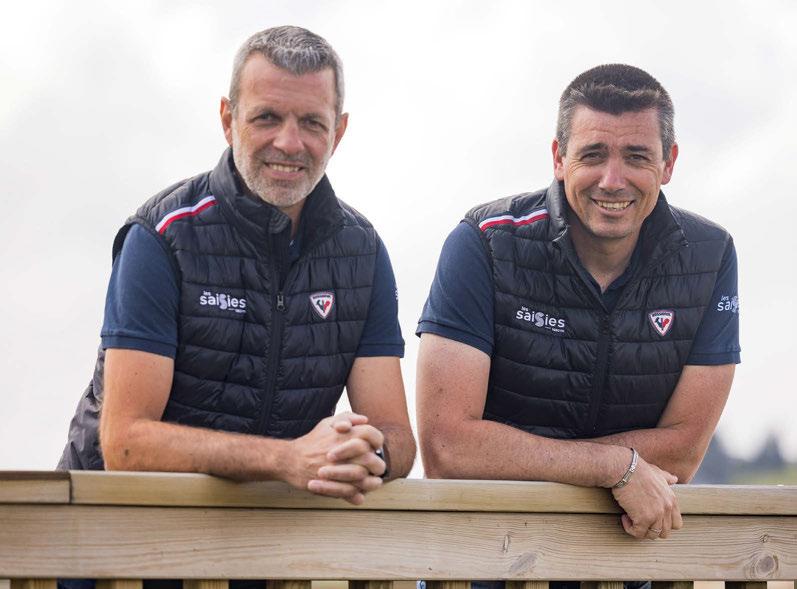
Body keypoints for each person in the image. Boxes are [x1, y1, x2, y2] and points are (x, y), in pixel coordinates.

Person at [58, 25, 416, 506]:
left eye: (312, 122)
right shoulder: (162, 235)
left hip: (264, 540)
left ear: (339, 132)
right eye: (267, 117)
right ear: (228, 120)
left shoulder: (363, 251)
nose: (289, 143)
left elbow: (397, 435)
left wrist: (368, 452)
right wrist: (286, 459)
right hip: (114, 535)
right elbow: (126, 443)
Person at [416, 64, 739, 541]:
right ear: (559, 158)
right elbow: (448, 449)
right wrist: (615, 466)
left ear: (669, 163)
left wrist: (520, 455)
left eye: (636, 156)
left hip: (626, 560)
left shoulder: (711, 255)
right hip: (481, 557)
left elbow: (683, 452)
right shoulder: (483, 243)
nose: (612, 180)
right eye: (593, 155)